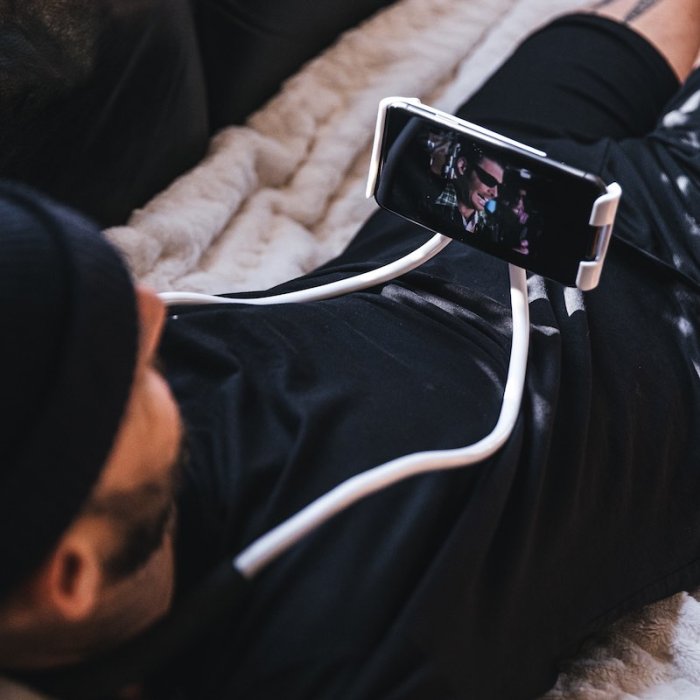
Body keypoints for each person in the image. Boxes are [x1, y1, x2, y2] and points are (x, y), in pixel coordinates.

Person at [2, 1, 700, 699]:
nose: (152, 316)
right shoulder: (336, 668)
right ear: (72, 577)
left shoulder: (60, 426)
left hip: (477, 201)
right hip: (669, 308)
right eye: (124, 377)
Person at [434, 145, 505, 237]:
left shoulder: (490, 229)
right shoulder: (428, 196)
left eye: (499, 187)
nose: (495, 193)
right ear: (462, 166)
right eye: (489, 180)